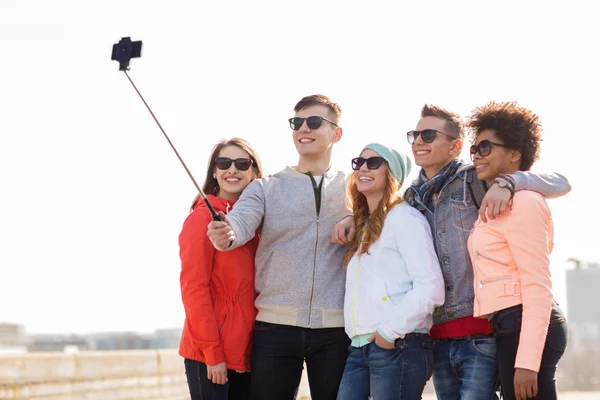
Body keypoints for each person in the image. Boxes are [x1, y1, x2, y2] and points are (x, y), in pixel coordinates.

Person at [332, 104, 570, 400]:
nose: (419, 141)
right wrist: (352, 219)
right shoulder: (411, 197)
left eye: (429, 135)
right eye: (415, 134)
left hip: (480, 330)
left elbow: (560, 182)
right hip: (440, 334)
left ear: (455, 146)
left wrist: (511, 181)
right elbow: (380, 205)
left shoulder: (478, 179)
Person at [207, 95, 351, 400]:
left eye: (314, 122)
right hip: (274, 328)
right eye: (297, 123)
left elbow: (391, 189)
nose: (303, 129)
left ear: (336, 133)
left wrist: (354, 217)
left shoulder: (354, 187)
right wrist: (226, 232)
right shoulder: (265, 187)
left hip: (337, 329)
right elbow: (241, 224)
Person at [467, 101, 568, 400]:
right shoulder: (502, 199)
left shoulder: (523, 203)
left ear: (514, 153)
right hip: (510, 324)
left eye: (485, 147)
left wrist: (527, 363)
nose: (476, 155)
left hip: (527, 324)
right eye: (473, 149)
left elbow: (537, 285)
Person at [336, 143, 445, 400]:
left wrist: (388, 333)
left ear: (391, 174)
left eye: (374, 163)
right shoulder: (363, 227)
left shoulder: (405, 218)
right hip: (360, 346)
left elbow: (431, 285)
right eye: (359, 162)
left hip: (398, 344)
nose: (363, 168)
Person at [178, 138, 263, 400]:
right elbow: (194, 290)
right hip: (212, 354)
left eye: (242, 163)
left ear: (255, 172)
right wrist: (213, 353)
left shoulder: (261, 222)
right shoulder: (202, 219)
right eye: (224, 163)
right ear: (214, 171)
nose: (232, 170)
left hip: (250, 351)